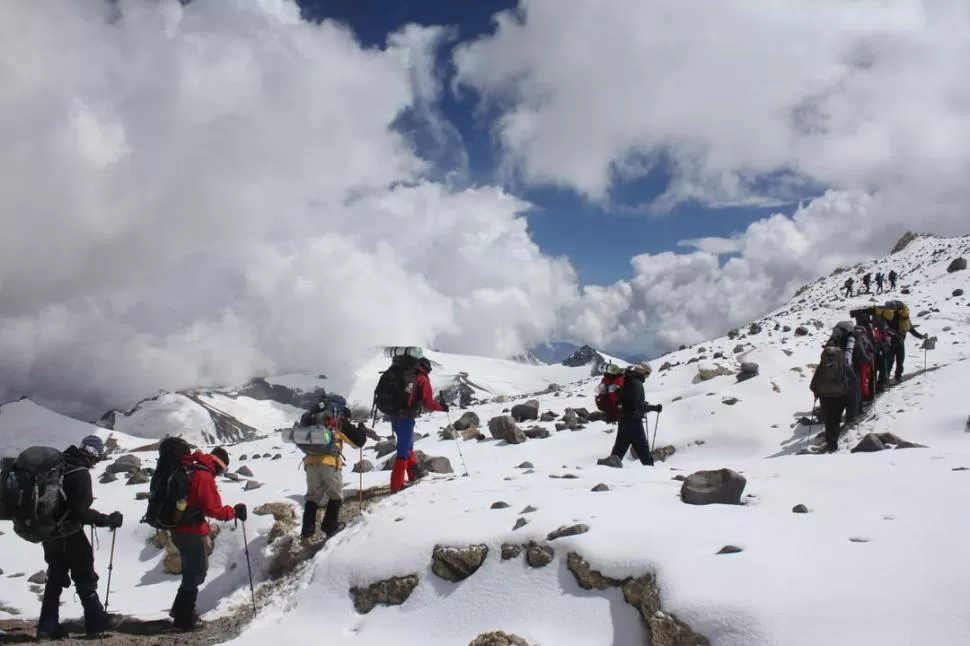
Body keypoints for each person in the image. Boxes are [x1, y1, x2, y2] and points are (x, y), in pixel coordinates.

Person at [36, 435, 124, 639]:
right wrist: (107, 519)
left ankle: (47, 626)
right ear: (93, 454)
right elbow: (79, 513)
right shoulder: (80, 473)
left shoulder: (59, 466)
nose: (97, 461)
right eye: (98, 456)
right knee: (84, 574)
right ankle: (96, 620)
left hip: (50, 533)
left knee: (55, 578)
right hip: (69, 533)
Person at [169, 446, 245, 632]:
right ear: (219, 465)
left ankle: (179, 611)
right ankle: (184, 619)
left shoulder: (193, 469)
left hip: (179, 527)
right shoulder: (204, 476)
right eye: (223, 469)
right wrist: (233, 511)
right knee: (196, 573)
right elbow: (214, 509)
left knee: (192, 571)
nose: (221, 473)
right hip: (191, 530)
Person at [296, 393, 367, 539]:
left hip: (310, 462)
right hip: (330, 462)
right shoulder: (336, 420)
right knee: (335, 495)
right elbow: (358, 442)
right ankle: (330, 526)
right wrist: (361, 431)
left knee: (312, 497)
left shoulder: (312, 418)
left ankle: (307, 530)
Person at [391, 356, 446, 493]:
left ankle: (413, 474)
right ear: (426, 368)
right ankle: (397, 485)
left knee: (408, 445)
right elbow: (428, 403)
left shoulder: (405, 374)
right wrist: (441, 407)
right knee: (403, 451)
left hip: (394, 415)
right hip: (405, 417)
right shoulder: (422, 379)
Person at [598, 363, 661, 467]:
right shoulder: (637, 383)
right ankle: (650, 471)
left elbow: (628, 400)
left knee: (619, 450)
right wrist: (654, 408)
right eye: (647, 374)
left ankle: (607, 469)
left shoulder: (626, 380)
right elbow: (637, 405)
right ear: (642, 372)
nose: (647, 377)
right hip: (633, 421)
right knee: (643, 450)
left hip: (623, 420)